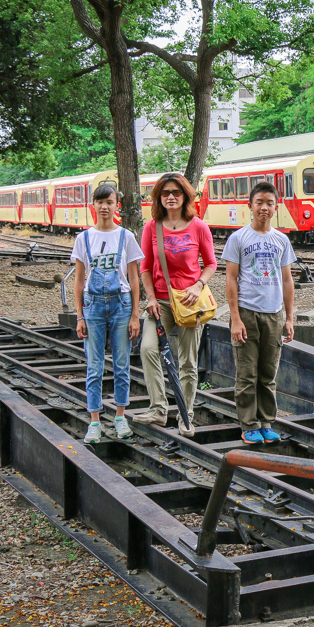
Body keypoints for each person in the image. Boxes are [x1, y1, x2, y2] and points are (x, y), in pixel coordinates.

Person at [134, 173, 217, 437]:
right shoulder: (151, 228)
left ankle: (185, 415)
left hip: (190, 302)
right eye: (165, 193)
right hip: (160, 301)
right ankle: (159, 409)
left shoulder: (198, 227)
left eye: (177, 192)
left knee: (188, 362)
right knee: (147, 348)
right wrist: (149, 298)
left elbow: (211, 264)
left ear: (185, 196)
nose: (171, 197)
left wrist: (198, 285)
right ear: (159, 197)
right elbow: (145, 268)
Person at [222, 181, 295, 445]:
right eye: (259, 203)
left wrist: (289, 317)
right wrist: (236, 319)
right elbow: (230, 279)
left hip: (273, 314)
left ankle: (266, 422)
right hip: (247, 312)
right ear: (250, 206)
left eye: (269, 203)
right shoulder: (238, 238)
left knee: (267, 373)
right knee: (247, 373)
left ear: (276, 207)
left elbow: (287, 280)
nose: (264, 208)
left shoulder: (281, 240)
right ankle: (248, 424)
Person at [70, 182, 143, 443]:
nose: (104, 207)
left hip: (121, 304)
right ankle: (94, 422)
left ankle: (120, 417)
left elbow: (134, 279)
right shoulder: (83, 238)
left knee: (122, 364)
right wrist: (79, 316)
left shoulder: (127, 236)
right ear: (93, 205)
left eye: (109, 202)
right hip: (93, 306)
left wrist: (135, 315)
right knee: (94, 365)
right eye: (100, 202)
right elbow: (79, 280)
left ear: (116, 206)